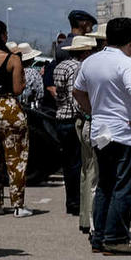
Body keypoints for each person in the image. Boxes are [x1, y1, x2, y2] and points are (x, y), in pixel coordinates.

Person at [73, 16, 131, 255]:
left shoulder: (91, 62)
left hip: (100, 132)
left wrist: (95, 111)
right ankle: (116, 238)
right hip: (125, 134)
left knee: (105, 185)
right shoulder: (127, 64)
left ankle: (99, 238)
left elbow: (78, 92)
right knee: (125, 187)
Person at [46, 35, 95, 221]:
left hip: (60, 116)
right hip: (73, 117)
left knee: (68, 164)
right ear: (84, 52)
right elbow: (76, 96)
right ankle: (77, 202)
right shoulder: (78, 67)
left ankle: (70, 201)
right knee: (79, 163)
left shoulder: (60, 66)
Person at [0, 21, 34, 217]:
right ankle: (18, 205)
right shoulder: (12, 59)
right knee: (16, 157)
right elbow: (18, 89)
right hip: (8, 108)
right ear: (3, 36)